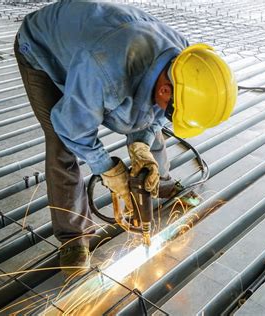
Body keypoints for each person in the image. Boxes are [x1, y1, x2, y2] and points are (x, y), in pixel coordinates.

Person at [14, 1, 237, 275]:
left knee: (148, 118)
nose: (168, 115)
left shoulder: (185, 63)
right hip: (40, 49)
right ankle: (72, 236)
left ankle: (160, 182)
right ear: (167, 88)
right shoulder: (105, 69)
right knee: (61, 142)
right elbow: (72, 127)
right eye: (172, 110)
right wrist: (107, 169)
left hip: (98, 41)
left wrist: (141, 144)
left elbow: (155, 112)